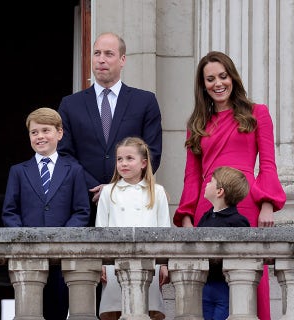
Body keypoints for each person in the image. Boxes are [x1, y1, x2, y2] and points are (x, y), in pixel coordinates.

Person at [174, 51, 286, 320]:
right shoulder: (197, 124)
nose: (218, 83)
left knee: (247, 280)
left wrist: (267, 205)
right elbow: (191, 176)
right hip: (207, 207)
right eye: (210, 79)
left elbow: (268, 164)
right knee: (210, 287)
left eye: (223, 76)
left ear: (232, 77)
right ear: (203, 85)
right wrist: (188, 217)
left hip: (246, 203)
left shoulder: (257, 113)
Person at [57, 32, 163, 227]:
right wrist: (95, 188)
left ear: (122, 60)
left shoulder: (144, 101)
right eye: (97, 53)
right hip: (84, 204)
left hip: (131, 205)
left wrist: (118, 187)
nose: (101, 60)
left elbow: (152, 151)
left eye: (108, 54)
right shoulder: (70, 104)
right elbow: (64, 154)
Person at [2, 107, 90, 319]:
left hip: (62, 258)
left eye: (46, 130)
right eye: (34, 132)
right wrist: (25, 237)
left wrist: (62, 237)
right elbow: (9, 211)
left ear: (59, 133)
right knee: (29, 312)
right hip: (28, 256)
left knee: (58, 309)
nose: (40, 136)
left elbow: (81, 211)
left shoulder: (74, 169)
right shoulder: (18, 171)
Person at [95, 136, 170, 320]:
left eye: (130, 158)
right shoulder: (108, 191)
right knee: (116, 310)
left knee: (147, 310)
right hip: (115, 264)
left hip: (149, 262)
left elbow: (165, 230)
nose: (123, 164)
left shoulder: (157, 192)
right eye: (120, 159)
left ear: (143, 163)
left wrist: (164, 264)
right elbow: (100, 230)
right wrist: (101, 263)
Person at [197, 166, 251, 320]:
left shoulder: (238, 221)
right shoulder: (205, 218)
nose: (206, 184)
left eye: (210, 182)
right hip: (205, 284)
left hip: (226, 286)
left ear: (219, 192)